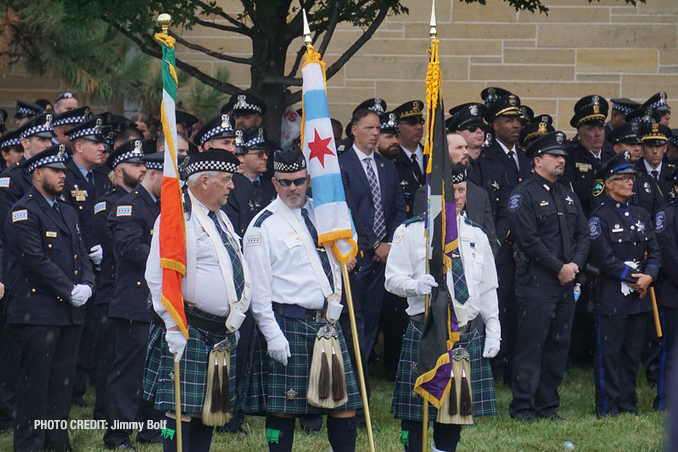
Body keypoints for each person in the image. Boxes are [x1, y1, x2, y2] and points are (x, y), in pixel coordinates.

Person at [242, 148, 361, 452]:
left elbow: (341, 256)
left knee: (343, 404)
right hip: (289, 322)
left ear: (309, 180)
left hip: (328, 322)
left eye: (298, 181)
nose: (292, 188)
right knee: (284, 407)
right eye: (285, 182)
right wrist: (272, 335)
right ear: (274, 182)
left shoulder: (326, 214)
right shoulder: (262, 226)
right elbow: (259, 291)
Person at [385, 164, 501, 452]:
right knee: (415, 414)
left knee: (453, 414)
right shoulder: (410, 231)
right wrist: (414, 285)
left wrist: (494, 329)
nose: (457, 197)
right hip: (425, 330)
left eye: (461, 190)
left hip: (464, 332)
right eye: (451, 191)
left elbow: (487, 288)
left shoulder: (477, 234)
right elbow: (391, 280)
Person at [144, 149, 250, 452]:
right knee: (179, 412)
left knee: (209, 411)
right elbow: (157, 275)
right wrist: (171, 324)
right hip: (189, 327)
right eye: (227, 180)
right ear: (204, 181)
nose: (232, 186)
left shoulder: (221, 218)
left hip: (219, 331)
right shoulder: (178, 218)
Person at [5, 144, 94, 451]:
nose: (62, 177)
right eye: (56, 172)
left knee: (61, 387)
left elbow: (80, 255)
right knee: (35, 387)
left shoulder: (67, 210)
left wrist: (88, 285)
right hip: (37, 314)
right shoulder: (23, 211)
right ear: (37, 173)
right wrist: (70, 290)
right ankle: (29, 445)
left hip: (68, 314)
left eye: (64, 172)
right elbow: (34, 260)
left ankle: (57, 442)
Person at [507, 131, 591, 421]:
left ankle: (547, 406)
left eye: (563, 157)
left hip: (567, 282)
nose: (562, 160)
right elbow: (528, 240)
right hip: (537, 282)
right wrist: (560, 267)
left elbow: (583, 233)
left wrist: (575, 265)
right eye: (555, 156)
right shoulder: (524, 195)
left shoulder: (566, 193)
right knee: (532, 346)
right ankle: (523, 407)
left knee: (558, 346)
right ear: (538, 160)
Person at [588, 151, 661, 417]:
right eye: (623, 178)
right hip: (612, 297)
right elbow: (604, 258)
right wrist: (634, 278)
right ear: (608, 184)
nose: (630, 183)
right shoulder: (600, 217)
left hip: (639, 297)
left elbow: (655, 251)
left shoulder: (641, 213)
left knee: (632, 355)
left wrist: (649, 276)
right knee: (610, 355)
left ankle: (629, 404)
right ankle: (608, 407)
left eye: (631, 178)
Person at [103, 152, 166, 449]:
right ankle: (117, 434)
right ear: (150, 174)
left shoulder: (169, 206)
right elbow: (129, 248)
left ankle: (150, 430)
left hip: (160, 303)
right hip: (134, 300)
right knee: (129, 373)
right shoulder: (127, 206)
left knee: (157, 370)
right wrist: (167, 261)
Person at [339, 107, 407, 372]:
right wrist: (374, 244)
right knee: (357, 315)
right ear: (354, 130)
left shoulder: (387, 166)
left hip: (386, 255)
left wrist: (391, 242)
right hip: (359, 254)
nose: (375, 133)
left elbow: (398, 207)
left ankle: (364, 369)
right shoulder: (343, 165)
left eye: (378, 128)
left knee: (375, 315)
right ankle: (351, 370)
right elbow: (349, 211)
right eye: (369, 128)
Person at [91, 139, 148, 422]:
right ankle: (107, 415)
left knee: (139, 360)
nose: (141, 169)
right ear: (118, 169)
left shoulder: (150, 202)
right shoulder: (111, 203)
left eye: (143, 164)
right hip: (115, 287)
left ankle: (138, 417)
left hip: (141, 291)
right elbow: (114, 244)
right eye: (134, 165)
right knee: (115, 359)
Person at [446, 132, 499, 255]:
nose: (465, 152)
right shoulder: (429, 193)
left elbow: (490, 239)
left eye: (466, 147)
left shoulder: (480, 194)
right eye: (459, 148)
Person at [654, 168, 678, 411]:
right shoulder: (667, 214)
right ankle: (665, 400)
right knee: (671, 352)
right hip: (674, 294)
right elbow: (669, 255)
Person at [392, 101, 426, 215]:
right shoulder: (392, 159)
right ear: (398, 128)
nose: (419, 127)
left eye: (421, 122)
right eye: (412, 123)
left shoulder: (432, 156)